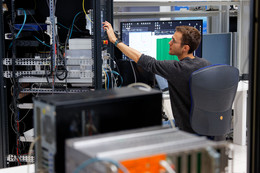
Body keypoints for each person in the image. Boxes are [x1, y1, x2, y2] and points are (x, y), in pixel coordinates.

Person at [102, 21, 211, 134]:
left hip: (186, 132)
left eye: (174, 41)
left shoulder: (177, 68)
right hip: (204, 127)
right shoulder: (206, 64)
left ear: (185, 48)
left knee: (144, 131)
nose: (169, 42)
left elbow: (144, 61)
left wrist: (115, 41)